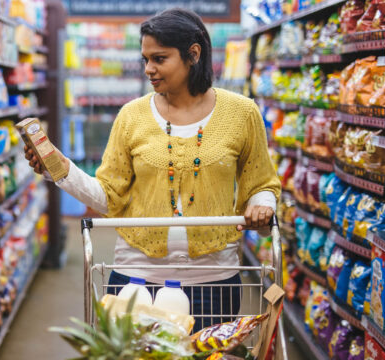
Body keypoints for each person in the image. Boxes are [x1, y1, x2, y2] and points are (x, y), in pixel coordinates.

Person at [24, 7, 281, 331]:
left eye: (159, 59)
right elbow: (109, 195)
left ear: (193, 54)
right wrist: (62, 170)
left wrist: (263, 203)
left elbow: (262, 182)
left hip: (213, 280)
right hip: (137, 279)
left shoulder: (242, 113)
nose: (149, 69)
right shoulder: (132, 116)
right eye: (145, 59)